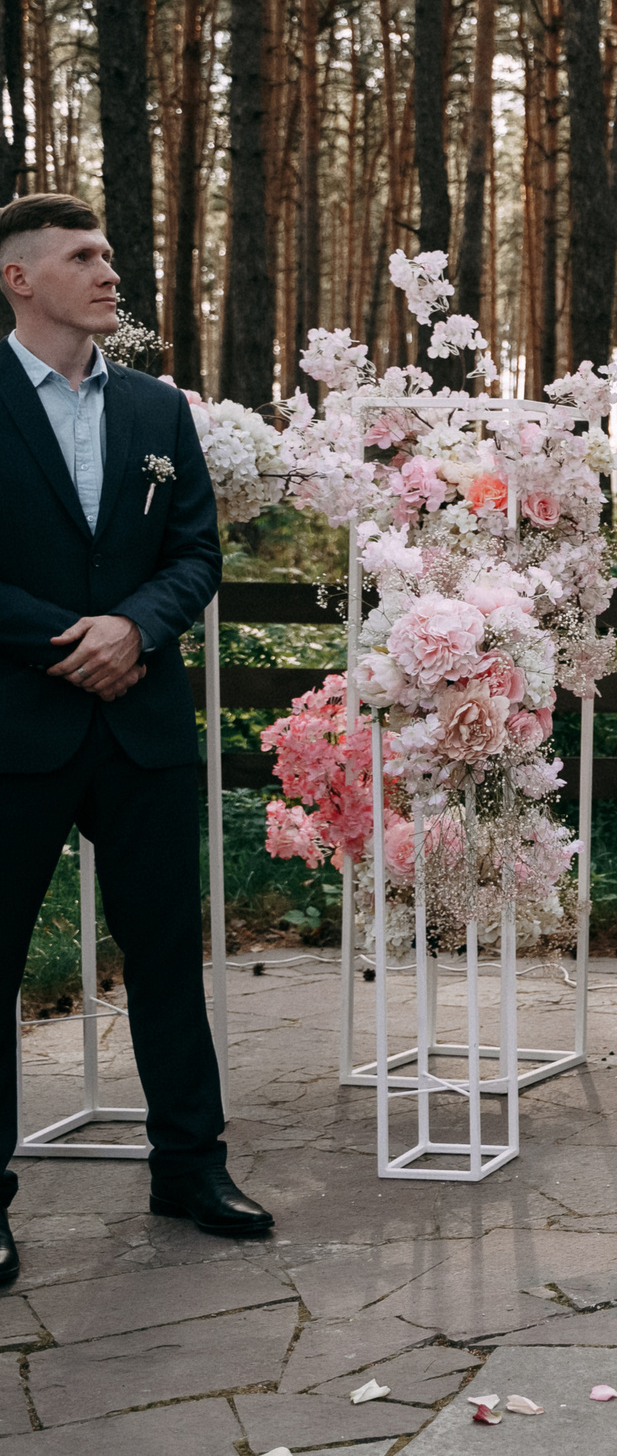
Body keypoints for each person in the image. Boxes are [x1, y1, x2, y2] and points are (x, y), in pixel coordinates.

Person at [0, 193, 271, 1286]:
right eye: (83, 256)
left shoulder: (160, 410)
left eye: (111, 252)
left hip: (145, 728)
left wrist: (138, 628)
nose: (111, 271)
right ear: (19, 279)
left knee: (166, 957)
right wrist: (66, 638)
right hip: (18, 726)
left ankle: (191, 1167)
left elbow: (196, 553)